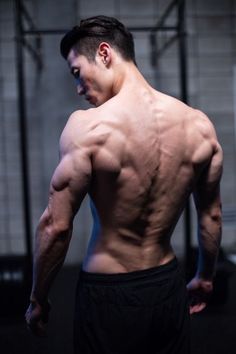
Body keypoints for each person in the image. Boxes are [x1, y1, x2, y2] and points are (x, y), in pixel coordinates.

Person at [25, 15, 223, 354]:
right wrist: (205, 276)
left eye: (77, 73)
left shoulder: (88, 128)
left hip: (108, 294)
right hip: (167, 285)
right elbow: (211, 215)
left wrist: (38, 298)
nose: (78, 88)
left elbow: (56, 226)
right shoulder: (198, 126)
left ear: (104, 53)